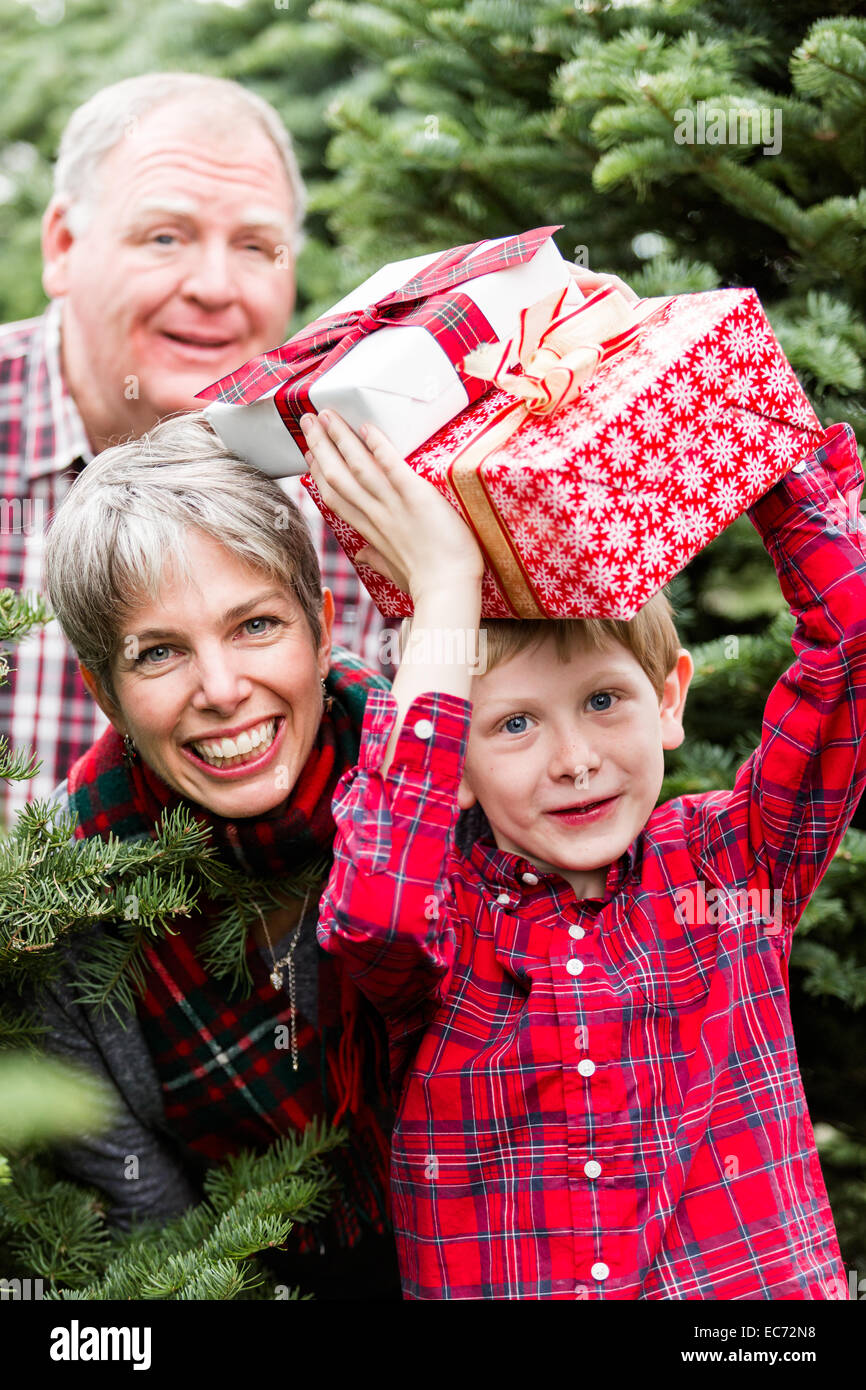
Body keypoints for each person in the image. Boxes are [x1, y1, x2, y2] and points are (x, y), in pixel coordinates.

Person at [302, 404, 865, 1300]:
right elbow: (372, 914)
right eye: (516, 724)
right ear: (455, 758)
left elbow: (853, 649)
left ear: (670, 698)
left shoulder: (736, 867)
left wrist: (743, 425)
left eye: (604, 700)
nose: (575, 760)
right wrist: (445, 591)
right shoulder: (447, 923)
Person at [34, 411, 400, 1299]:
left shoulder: (445, 784)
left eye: (255, 626)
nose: (223, 690)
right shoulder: (59, 911)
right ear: (105, 692)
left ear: (318, 628)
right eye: (158, 652)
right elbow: (147, 1229)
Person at [0, 71, 384, 827]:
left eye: (254, 246)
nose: (214, 286)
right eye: (166, 237)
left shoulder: (361, 477)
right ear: (65, 245)